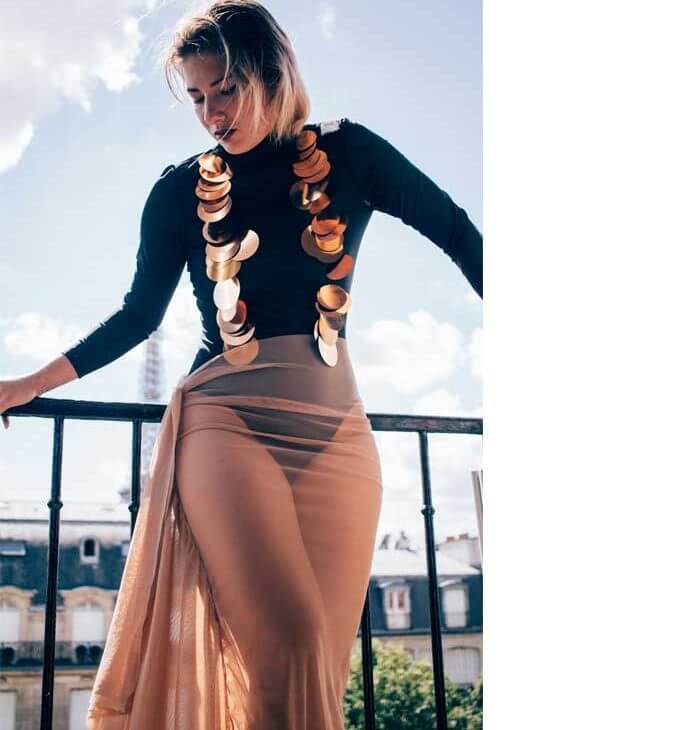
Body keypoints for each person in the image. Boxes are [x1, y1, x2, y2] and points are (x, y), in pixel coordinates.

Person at [0, 1, 482, 728]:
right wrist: (29, 384)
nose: (212, 113)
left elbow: (457, 231)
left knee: (313, 670)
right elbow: (137, 316)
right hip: (226, 424)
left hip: (337, 436)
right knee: (289, 640)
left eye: (224, 89)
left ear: (274, 73)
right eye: (197, 97)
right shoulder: (176, 193)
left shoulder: (351, 154)